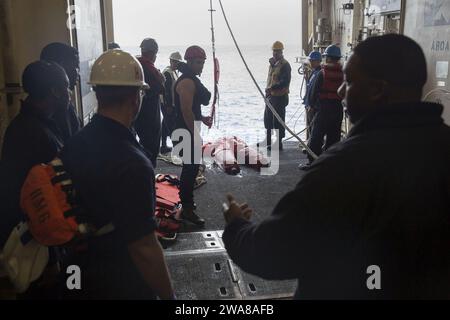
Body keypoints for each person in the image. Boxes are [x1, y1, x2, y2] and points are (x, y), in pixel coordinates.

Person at [222, 34, 450, 299]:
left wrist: (236, 224)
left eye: (350, 82)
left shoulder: (342, 167)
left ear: (377, 90)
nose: (341, 91)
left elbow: (270, 254)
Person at [59, 50, 174, 300]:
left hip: (76, 268)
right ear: (136, 98)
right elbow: (144, 247)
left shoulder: (76, 142)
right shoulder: (133, 163)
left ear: (98, 94)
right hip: (117, 278)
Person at [0, 61, 69, 297]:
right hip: (39, 245)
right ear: (55, 91)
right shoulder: (35, 134)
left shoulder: (30, 125)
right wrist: (52, 257)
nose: (69, 93)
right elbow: (39, 203)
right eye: (66, 86)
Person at [173, 46, 212, 227]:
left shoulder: (190, 79)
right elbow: (185, 110)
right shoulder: (188, 82)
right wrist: (195, 134)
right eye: (198, 62)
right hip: (184, 131)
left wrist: (201, 118)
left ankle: (186, 204)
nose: (201, 66)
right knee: (190, 169)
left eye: (203, 63)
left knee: (190, 168)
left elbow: (192, 108)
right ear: (189, 62)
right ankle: (187, 208)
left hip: (185, 128)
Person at [300, 45, 344, 169]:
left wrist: (312, 107)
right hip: (337, 110)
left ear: (328, 58)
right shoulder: (343, 73)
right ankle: (330, 163)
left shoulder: (322, 73)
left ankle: (313, 162)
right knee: (334, 138)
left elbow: (313, 94)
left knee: (316, 138)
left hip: (324, 109)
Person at [40, 43, 82, 144]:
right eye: (75, 67)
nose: (78, 74)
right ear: (60, 67)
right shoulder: (54, 109)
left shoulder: (63, 103)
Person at [134, 38, 165, 167]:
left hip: (141, 113)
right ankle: (148, 179)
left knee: (145, 146)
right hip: (150, 114)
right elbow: (160, 87)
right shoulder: (147, 67)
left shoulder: (137, 65)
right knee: (151, 149)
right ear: (153, 53)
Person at [260, 41, 291, 151]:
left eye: (277, 51)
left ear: (281, 52)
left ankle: (278, 143)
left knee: (278, 120)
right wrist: (268, 91)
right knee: (267, 119)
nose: (275, 53)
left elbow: (284, 81)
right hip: (270, 96)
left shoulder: (285, 65)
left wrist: (272, 88)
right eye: (274, 51)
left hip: (280, 97)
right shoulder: (272, 65)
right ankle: (267, 140)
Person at [160, 52, 183, 154]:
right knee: (171, 125)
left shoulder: (174, 72)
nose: (177, 64)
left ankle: (163, 146)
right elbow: (166, 91)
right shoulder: (167, 72)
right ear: (171, 61)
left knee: (165, 124)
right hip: (167, 104)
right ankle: (177, 148)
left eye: (178, 62)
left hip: (171, 104)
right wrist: (168, 105)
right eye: (175, 62)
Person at [303, 51, 322, 140]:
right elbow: (310, 87)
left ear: (318, 61)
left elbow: (316, 91)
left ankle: (313, 147)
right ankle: (310, 144)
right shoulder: (314, 72)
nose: (310, 62)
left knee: (314, 127)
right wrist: (307, 78)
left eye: (312, 61)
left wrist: (312, 105)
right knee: (310, 127)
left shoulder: (319, 73)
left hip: (314, 106)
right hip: (310, 104)